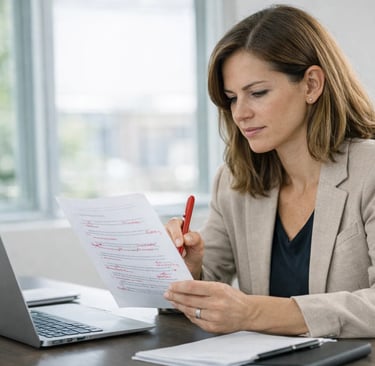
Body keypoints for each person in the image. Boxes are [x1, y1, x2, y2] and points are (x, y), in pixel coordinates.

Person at [163, 4, 375, 338]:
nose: (240, 113)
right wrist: (184, 269)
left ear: (311, 85)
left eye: (258, 93)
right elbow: (209, 282)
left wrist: (252, 312)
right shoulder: (233, 180)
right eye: (232, 98)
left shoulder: (370, 170)